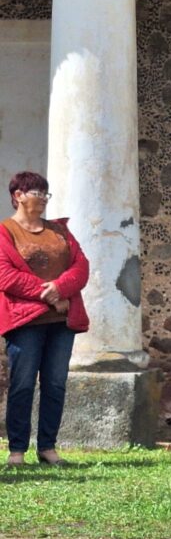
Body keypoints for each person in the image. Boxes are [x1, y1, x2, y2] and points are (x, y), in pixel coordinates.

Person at [0, 171, 90, 467]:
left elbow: (81, 266)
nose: (41, 197)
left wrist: (62, 288)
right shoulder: (5, 232)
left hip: (61, 322)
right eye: (34, 191)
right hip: (25, 322)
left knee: (55, 384)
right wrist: (49, 294)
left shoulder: (59, 231)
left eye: (44, 192)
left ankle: (48, 448)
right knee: (23, 384)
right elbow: (6, 275)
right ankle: (16, 451)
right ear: (18, 195)